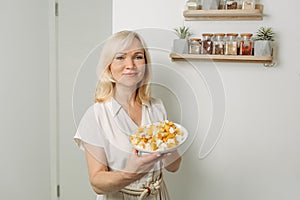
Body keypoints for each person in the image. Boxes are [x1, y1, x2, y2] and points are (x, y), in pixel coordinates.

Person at [74, 30, 182, 200]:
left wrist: (171, 146)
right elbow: (96, 183)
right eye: (120, 57)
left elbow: (174, 167)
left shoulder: (156, 107)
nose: (130, 65)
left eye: (138, 57)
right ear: (108, 67)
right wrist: (129, 174)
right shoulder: (96, 115)